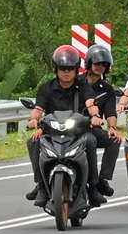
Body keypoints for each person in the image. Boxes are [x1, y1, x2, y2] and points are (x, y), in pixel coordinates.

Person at [26, 46, 106, 207]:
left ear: (76, 69)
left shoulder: (83, 87)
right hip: (52, 131)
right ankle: (41, 185)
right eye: (62, 68)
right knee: (34, 141)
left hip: (78, 131)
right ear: (55, 68)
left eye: (70, 68)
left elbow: (91, 103)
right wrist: (34, 120)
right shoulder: (47, 88)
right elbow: (38, 109)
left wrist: (95, 116)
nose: (66, 72)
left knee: (90, 141)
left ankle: (93, 187)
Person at [82, 45, 121, 197]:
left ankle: (102, 179)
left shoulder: (107, 89)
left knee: (114, 140)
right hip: (70, 127)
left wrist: (113, 128)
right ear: (89, 63)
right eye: (97, 63)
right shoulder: (77, 82)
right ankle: (43, 185)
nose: (100, 67)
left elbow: (110, 112)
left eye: (104, 64)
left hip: (93, 128)